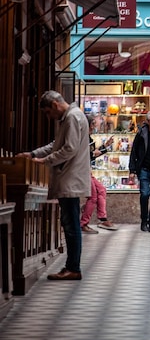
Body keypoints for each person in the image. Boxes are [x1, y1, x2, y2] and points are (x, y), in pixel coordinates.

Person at [18, 90, 91, 281]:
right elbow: (56, 144)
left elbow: (69, 148)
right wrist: (33, 154)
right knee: (70, 223)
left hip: (70, 177)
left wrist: (45, 160)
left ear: (55, 105)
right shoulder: (69, 118)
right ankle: (72, 266)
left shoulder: (72, 117)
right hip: (69, 177)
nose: (49, 117)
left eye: (48, 113)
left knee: (71, 224)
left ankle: (73, 267)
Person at [80, 115, 118, 234]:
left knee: (101, 190)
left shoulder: (88, 138)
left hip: (87, 170)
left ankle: (102, 219)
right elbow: (87, 155)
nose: (96, 126)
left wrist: (104, 147)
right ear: (90, 124)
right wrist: (97, 151)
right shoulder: (83, 138)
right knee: (93, 196)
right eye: (95, 124)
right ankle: (83, 223)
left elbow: (92, 154)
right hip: (83, 170)